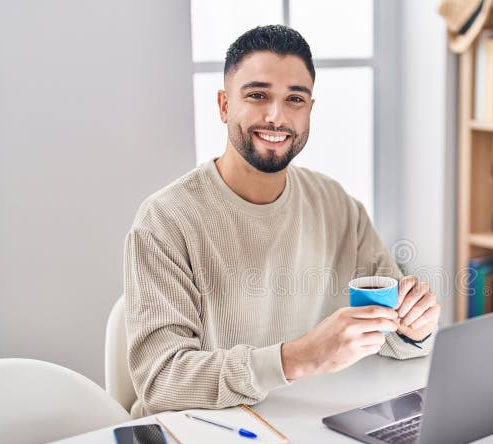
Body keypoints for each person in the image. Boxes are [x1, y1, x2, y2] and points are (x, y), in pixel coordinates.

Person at [124, 25, 440, 418]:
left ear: (309, 110)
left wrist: (415, 326)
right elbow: (162, 382)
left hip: (304, 431)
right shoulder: (165, 222)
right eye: (257, 95)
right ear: (223, 105)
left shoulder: (338, 206)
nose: (276, 116)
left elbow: (390, 337)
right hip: (200, 439)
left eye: (295, 99)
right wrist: (296, 359)